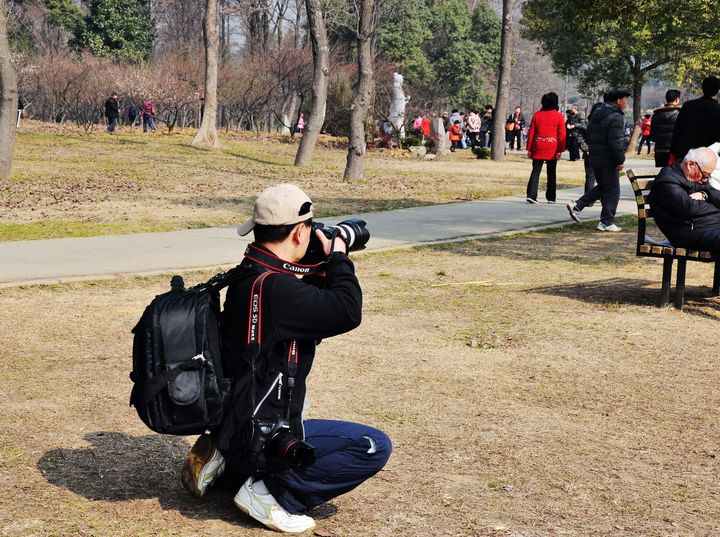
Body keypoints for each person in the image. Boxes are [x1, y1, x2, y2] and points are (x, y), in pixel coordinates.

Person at [180, 184, 392, 534]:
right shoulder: (280, 290)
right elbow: (347, 311)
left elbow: (307, 316)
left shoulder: (248, 275)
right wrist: (338, 255)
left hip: (236, 420)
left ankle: (224, 460)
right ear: (298, 231)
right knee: (372, 446)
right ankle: (270, 493)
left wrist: (317, 266)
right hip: (265, 433)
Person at [566, 88, 630, 232]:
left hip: (595, 156)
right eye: (625, 99)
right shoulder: (616, 116)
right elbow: (616, 141)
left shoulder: (597, 113)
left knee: (603, 187)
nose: (626, 103)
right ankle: (606, 222)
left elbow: (590, 135)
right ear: (618, 101)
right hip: (608, 158)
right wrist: (620, 160)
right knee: (613, 190)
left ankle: (577, 205)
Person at [648, 147, 720, 252]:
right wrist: (715, 207)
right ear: (691, 165)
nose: (705, 180)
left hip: (711, 227)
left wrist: (704, 194)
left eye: (708, 176)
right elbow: (690, 208)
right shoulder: (667, 181)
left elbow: (716, 195)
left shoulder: (694, 177)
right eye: (705, 175)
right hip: (691, 234)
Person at [525, 92, 566, 204]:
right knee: (551, 172)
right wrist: (560, 150)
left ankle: (531, 195)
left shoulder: (537, 115)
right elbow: (561, 134)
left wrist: (529, 148)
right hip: (552, 146)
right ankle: (551, 197)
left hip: (538, 145)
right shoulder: (558, 116)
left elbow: (531, 133)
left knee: (535, 171)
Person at [670, 76, 720, 161]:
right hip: (709, 156)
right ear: (717, 90)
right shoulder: (717, 109)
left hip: (686, 153)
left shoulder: (688, 106)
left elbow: (678, 129)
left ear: (702, 88)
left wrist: (673, 151)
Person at [649, 89, 681, 167]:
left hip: (659, 150)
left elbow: (652, 136)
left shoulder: (656, 114)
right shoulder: (680, 114)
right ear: (677, 99)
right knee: (674, 175)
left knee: (661, 174)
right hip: (675, 152)